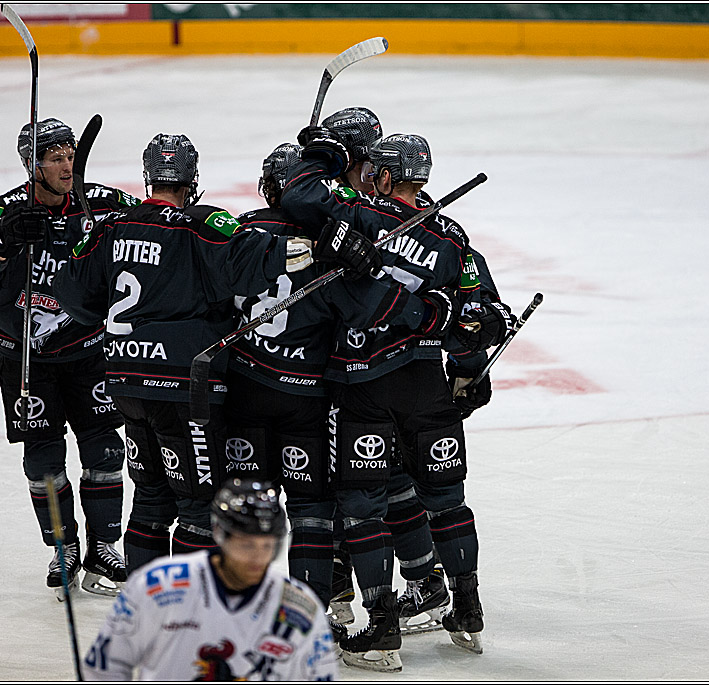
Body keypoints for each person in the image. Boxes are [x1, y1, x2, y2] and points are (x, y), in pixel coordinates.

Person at [54, 133, 381, 573]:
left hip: (126, 382)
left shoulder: (112, 226)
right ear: (193, 179)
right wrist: (327, 246)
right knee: (198, 508)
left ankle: (143, 611)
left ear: (149, 175)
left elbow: (73, 298)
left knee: (150, 499)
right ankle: (189, 617)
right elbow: (261, 261)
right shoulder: (202, 227)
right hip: (184, 389)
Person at [281, 129, 515, 670]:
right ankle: (468, 611)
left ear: (383, 175)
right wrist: (468, 370)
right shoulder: (452, 236)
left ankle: (382, 628)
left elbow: (298, 194)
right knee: (447, 500)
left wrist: (322, 152)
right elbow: (482, 315)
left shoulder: (359, 212)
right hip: (428, 387)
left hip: (363, 384)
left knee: (363, 508)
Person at [225, 141, 456, 636]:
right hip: (323, 388)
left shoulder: (246, 228)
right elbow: (353, 306)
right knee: (356, 492)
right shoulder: (335, 233)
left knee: (274, 499)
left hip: (251, 385)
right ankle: (392, 586)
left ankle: (271, 608)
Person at [0, 117, 136, 600]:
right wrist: (4, 242)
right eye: (55, 157)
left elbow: (154, 232)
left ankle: (104, 546)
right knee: (43, 462)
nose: (66, 164)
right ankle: (63, 547)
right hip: (25, 357)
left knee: (105, 450)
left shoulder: (103, 202)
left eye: (70, 154)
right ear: (31, 165)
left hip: (89, 350)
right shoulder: (6, 210)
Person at [81, 478, 339, 681]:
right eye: (246, 545)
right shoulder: (158, 586)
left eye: (268, 546)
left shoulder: (299, 609)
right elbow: (105, 667)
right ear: (219, 533)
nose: (258, 559)